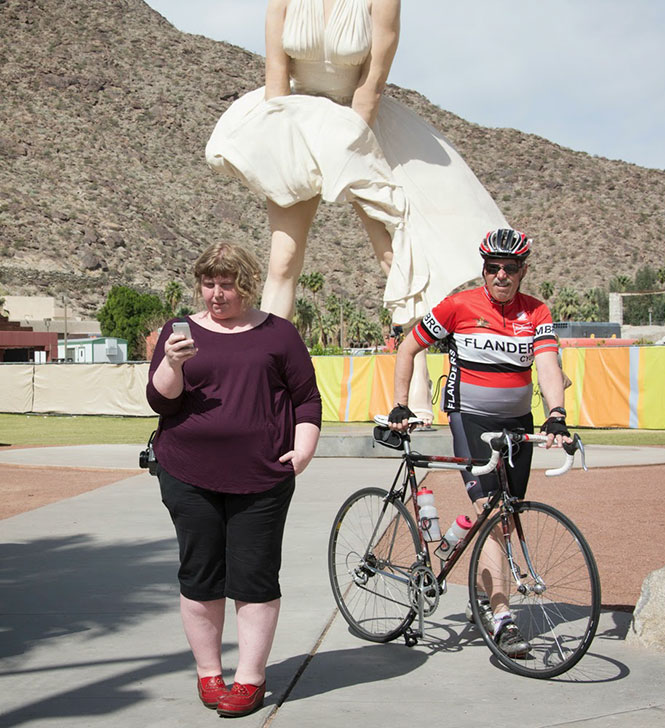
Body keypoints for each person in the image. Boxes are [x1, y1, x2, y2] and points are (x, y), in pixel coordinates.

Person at [205, 0, 508, 426]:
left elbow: (372, 86)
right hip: (295, 124)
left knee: (393, 257)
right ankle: (263, 388)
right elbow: (277, 82)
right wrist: (284, 151)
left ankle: (415, 391)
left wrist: (347, 149)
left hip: (361, 125)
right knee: (283, 261)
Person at [146, 243, 322, 716]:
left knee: (255, 577)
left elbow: (306, 399)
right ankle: (209, 674)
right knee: (200, 574)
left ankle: (249, 679)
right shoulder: (178, 332)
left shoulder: (278, 334)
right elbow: (162, 402)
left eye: (227, 284)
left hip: (262, 477)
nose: (217, 294)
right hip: (187, 473)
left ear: (245, 284)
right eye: (209, 283)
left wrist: (303, 449)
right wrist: (173, 363)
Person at [387, 228, 571, 657]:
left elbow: (547, 364)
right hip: (470, 420)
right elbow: (408, 348)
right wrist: (400, 404)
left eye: (510, 268)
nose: (501, 275)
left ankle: (484, 590)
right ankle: (502, 617)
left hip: (518, 421)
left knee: (506, 516)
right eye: (493, 268)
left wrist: (557, 415)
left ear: (523, 271)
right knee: (492, 512)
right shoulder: (458, 306)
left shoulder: (537, 312)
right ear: (483, 269)